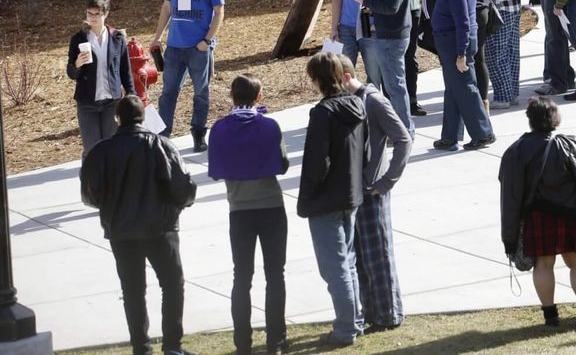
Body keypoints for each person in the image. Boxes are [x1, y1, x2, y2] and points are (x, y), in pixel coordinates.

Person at [80, 96, 197, 355]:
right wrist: (180, 205)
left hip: (122, 232)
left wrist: (112, 206)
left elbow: (90, 195)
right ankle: (173, 346)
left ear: (117, 118)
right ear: (142, 117)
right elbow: (182, 188)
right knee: (172, 285)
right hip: (161, 229)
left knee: (132, 290)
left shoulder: (100, 152)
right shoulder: (161, 145)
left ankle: (141, 348)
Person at [499, 96, 576, 328]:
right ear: (555, 118)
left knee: (543, 265)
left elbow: (510, 195)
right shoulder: (569, 144)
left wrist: (509, 235)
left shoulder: (515, 151)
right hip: (572, 215)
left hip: (537, 217)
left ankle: (550, 316)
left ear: (530, 120)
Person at [207, 75, 290, 355]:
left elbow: (216, 170)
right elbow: (283, 164)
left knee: (241, 276)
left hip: (239, 210)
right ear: (260, 96)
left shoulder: (219, 129)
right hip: (271, 207)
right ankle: (276, 341)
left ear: (231, 95)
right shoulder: (269, 126)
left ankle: (242, 343)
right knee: (275, 275)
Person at [336, 54, 412, 335]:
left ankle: (389, 315)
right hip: (354, 193)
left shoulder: (374, 101)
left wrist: (387, 181)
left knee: (378, 256)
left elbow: (404, 139)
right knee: (361, 257)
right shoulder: (348, 103)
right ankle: (370, 312)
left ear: (345, 77)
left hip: (372, 192)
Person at [298, 53, 367, 346]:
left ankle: (346, 329)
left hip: (326, 199)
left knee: (334, 267)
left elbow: (317, 162)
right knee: (347, 263)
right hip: (350, 194)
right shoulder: (357, 105)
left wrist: (309, 193)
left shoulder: (323, 113)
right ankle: (355, 321)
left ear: (318, 79)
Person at [151, 0, 225, 151]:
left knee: (201, 93)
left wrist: (206, 40)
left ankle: (198, 133)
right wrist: (157, 37)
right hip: (174, 46)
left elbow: (219, 11)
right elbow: (167, 7)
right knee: (168, 93)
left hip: (198, 48)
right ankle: (163, 136)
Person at [431, 0, 496, 150]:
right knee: (453, 89)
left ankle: (483, 133)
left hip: (455, 45)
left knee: (466, 89)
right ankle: (450, 136)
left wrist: (461, 54)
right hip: (451, 44)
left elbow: (463, 23)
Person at [355, 0, 416, 134]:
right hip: (391, 34)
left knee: (395, 87)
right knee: (394, 86)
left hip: (392, 37)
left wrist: (366, 0)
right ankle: (404, 129)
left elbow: (391, 7)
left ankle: (404, 131)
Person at [67, 0, 133, 155]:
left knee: (111, 147)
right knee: (92, 150)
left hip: (112, 102)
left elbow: (125, 70)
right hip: (87, 103)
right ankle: (89, 180)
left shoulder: (117, 38)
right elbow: (71, 73)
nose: (93, 18)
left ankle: (110, 180)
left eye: (97, 14)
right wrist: (77, 65)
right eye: (90, 13)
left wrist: (132, 95)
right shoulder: (78, 39)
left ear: (106, 14)